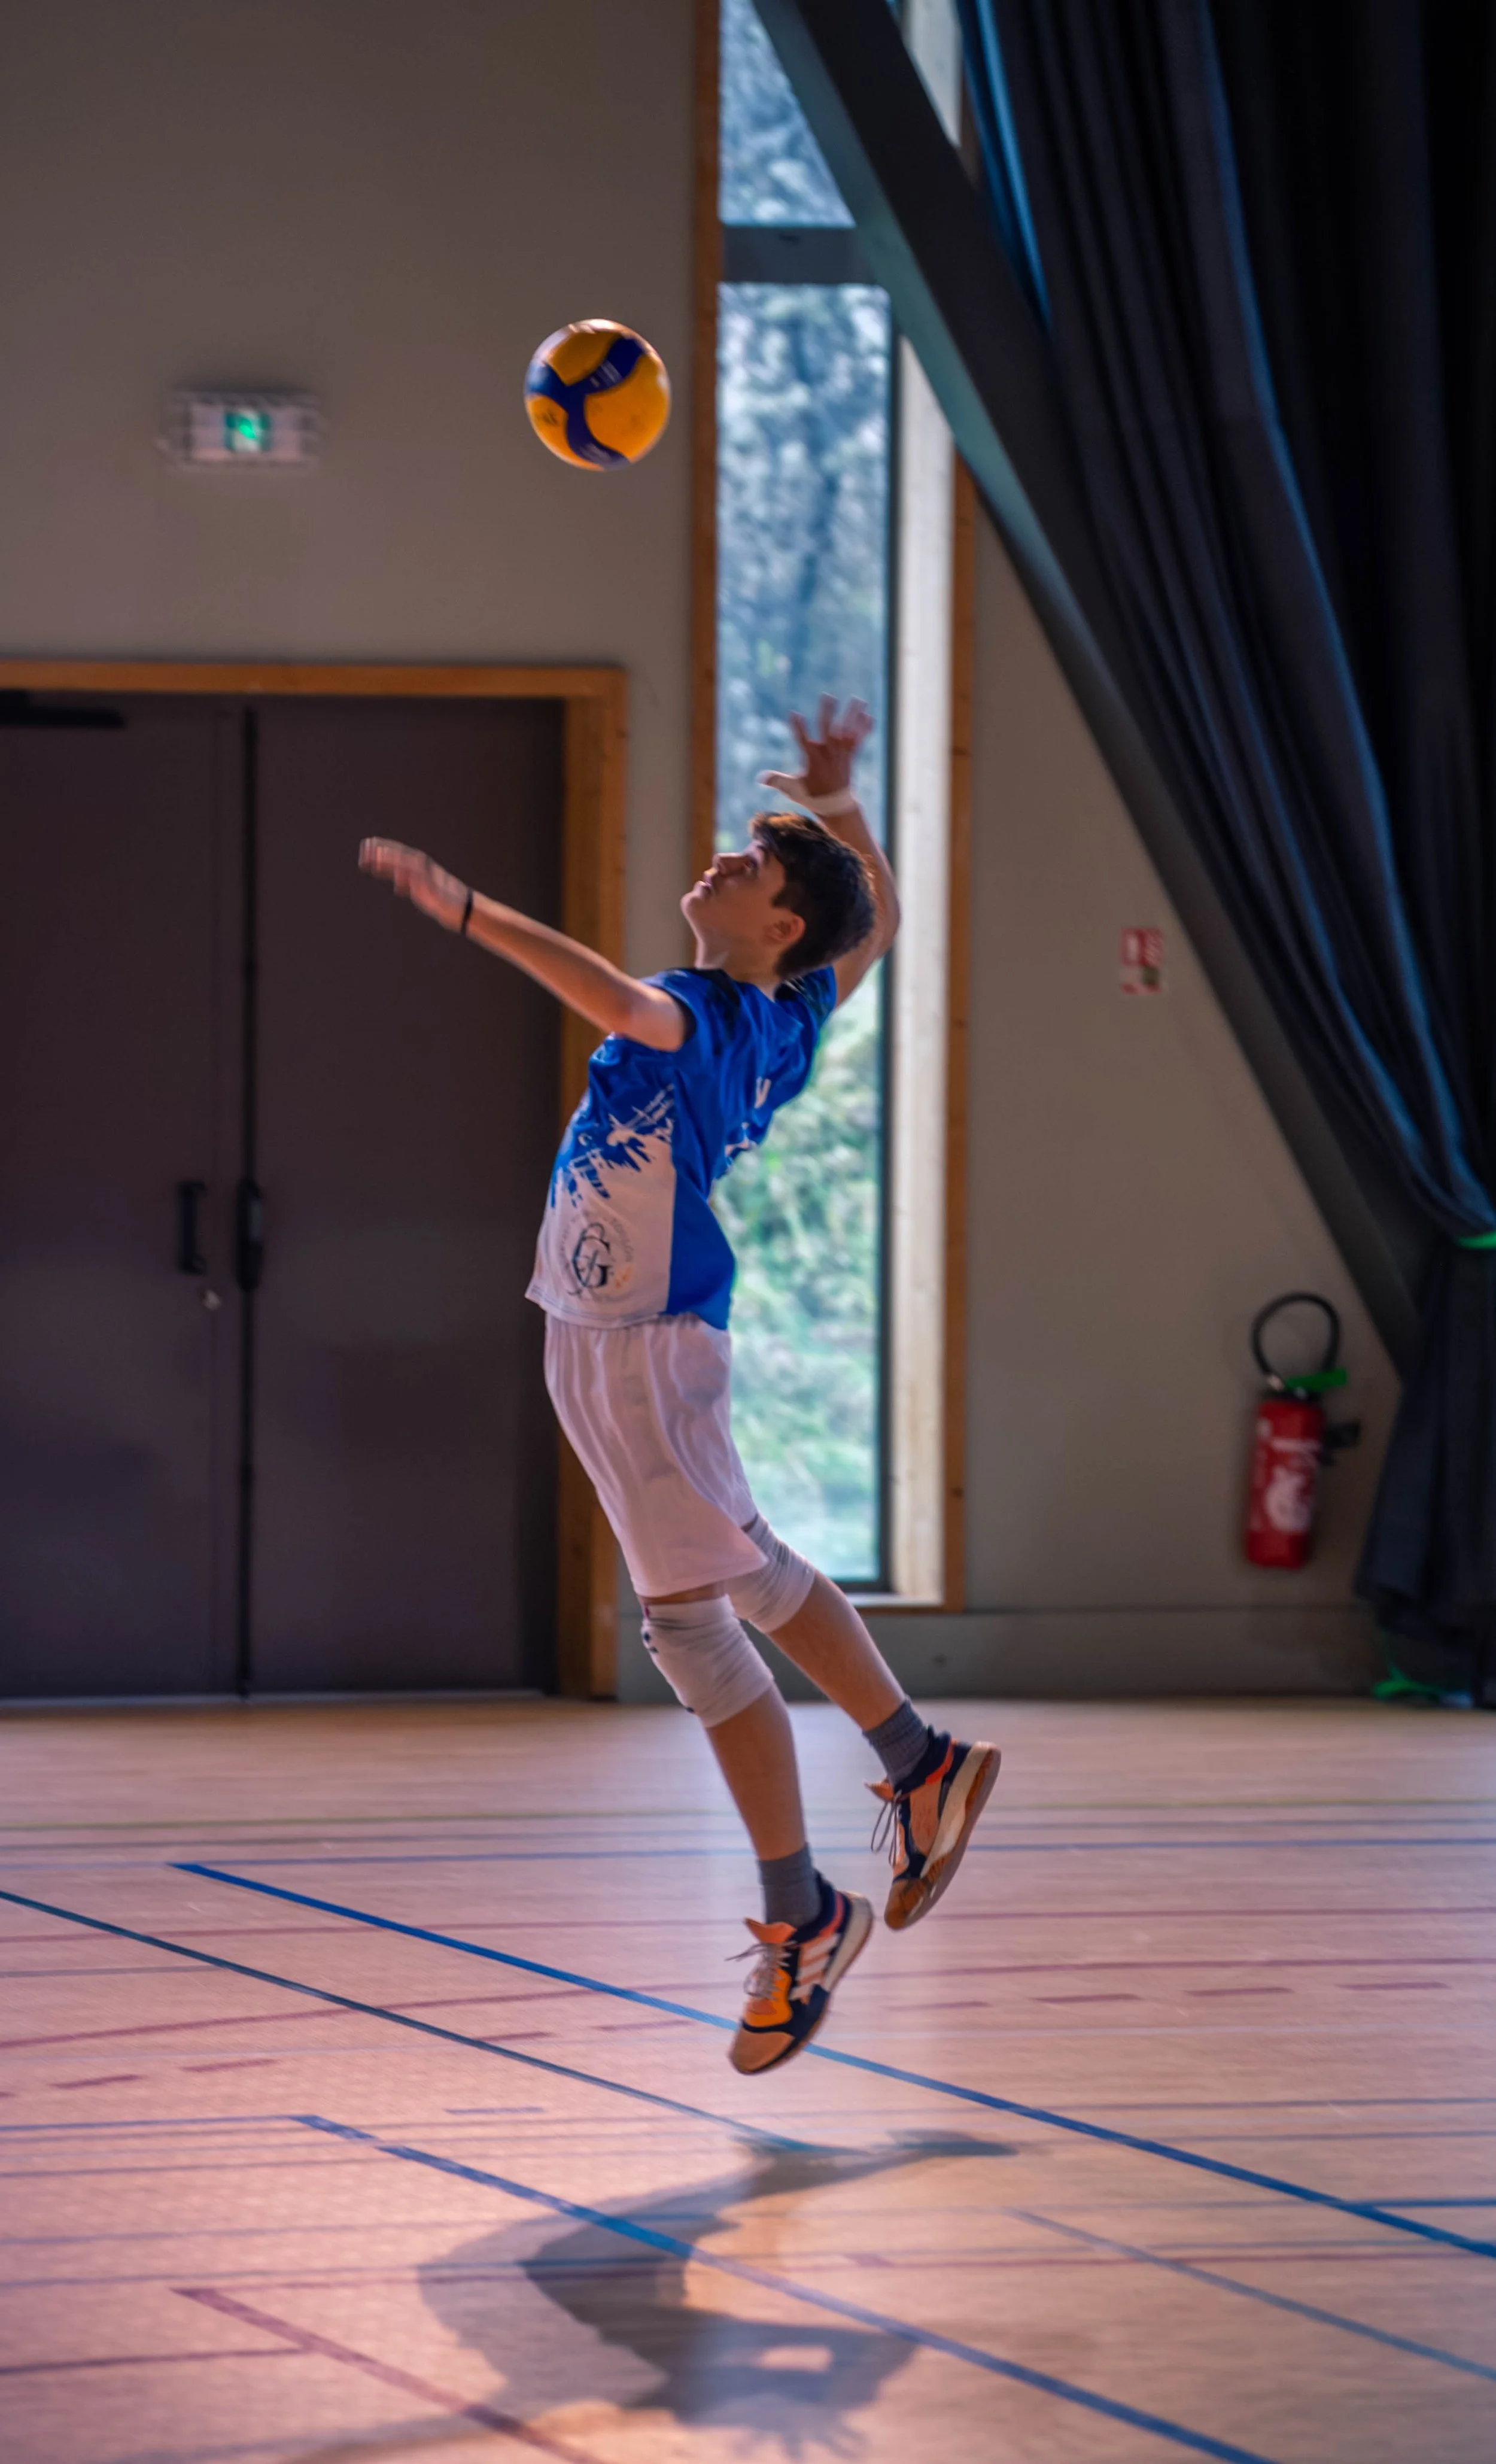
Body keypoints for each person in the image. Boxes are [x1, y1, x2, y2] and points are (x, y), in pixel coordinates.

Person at [359, 695, 999, 2075]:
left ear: (777, 924)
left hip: (642, 1333)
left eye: (751, 865)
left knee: (710, 1604)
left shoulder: (702, 1015)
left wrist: (466, 908)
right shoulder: (788, 1012)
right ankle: (880, 1810)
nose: (721, 862)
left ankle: (850, 1851)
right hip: (599, 1326)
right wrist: (836, 804)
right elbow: (876, 924)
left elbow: (603, 989)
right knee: (714, 1603)